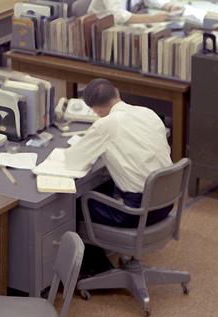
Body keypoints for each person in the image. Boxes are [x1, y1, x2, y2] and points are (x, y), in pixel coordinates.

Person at [62, 79, 173, 228]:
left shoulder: (106, 124)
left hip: (137, 212)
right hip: (166, 201)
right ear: (117, 93)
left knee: (75, 204)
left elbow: (73, 161)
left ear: (97, 111)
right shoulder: (148, 113)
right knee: (105, 186)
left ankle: (87, 245)